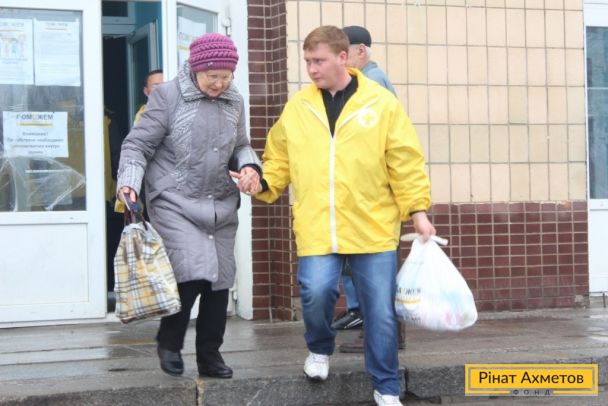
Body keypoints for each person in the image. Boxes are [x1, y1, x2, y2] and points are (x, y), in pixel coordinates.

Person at [238, 26, 435, 406]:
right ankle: (319, 347)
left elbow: (405, 161)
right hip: (317, 225)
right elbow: (278, 160)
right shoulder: (298, 107)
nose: (312, 69)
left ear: (343, 58)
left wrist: (418, 211)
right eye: (308, 61)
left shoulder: (381, 103)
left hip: (372, 226)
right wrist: (260, 182)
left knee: (380, 312)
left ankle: (387, 387)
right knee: (315, 292)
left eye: (319, 60)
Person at [116, 33, 261, 379]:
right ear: (196, 68)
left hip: (219, 202)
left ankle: (210, 356)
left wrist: (250, 168)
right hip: (175, 199)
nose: (219, 83)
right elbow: (138, 145)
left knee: (219, 282)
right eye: (212, 75)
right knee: (191, 273)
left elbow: (241, 145)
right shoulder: (168, 96)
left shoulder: (234, 100)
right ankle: (169, 341)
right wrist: (129, 181)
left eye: (226, 76)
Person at [336, 25, 406, 354]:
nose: (339, 61)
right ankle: (378, 334)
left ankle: (378, 336)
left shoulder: (371, 84)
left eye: (343, 53)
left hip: (371, 195)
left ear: (360, 51)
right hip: (372, 193)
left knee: (368, 268)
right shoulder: (373, 80)